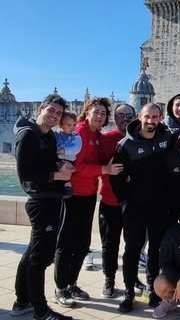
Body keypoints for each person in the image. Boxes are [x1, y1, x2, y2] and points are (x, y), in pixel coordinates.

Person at [53, 97, 122, 307]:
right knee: (66, 243)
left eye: (103, 113)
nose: (100, 116)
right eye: (97, 112)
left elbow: (104, 154)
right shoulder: (80, 133)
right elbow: (76, 166)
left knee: (82, 244)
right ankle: (60, 287)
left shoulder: (96, 136)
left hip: (89, 195)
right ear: (87, 112)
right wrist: (105, 170)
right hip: (72, 195)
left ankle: (71, 283)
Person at [11, 94, 75, 320]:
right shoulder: (28, 135)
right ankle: (40, 310)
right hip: (41, 201)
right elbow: (25, 174)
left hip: (51, 199)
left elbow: (44, 163)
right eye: (51, 111)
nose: (54, 116)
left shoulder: (47, 137)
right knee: (41, 258)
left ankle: (22, 301)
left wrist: (59, 164)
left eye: (58, 113)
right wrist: (56, 174)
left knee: (32, 253)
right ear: (41, 109)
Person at [111, 103, 175, 312]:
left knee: (156, 250)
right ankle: (129, 292)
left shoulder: (167, 139)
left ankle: (154, 291)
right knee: (132, 250)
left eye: (155, 117)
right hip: (135, 208)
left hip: (159, 206)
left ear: (160, 118)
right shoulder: (125, 145)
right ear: (140, 116)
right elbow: (117, 177)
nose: (151, 121)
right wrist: (124, 200)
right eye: (148, 116)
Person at [97, 103, 136, 298]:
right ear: (114, 118)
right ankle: (109, 280)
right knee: (109, 244)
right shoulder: (105, 139)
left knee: (133, 245)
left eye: (129, 115)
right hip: (110, 202)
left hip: (133, 204)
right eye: (120, 116)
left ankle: (132, 280)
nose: (125, 119)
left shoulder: (140, 139)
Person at [55, 111, 82, 198]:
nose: (72, 128)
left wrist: (64, 150)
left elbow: (77, 148)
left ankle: (67, 187)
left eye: (74, 125)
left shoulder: (76, 137)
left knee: (66, 174)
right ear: (61, 125)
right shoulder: (56, 135)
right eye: (69, 125)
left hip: (69, 160)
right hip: (58, 159)